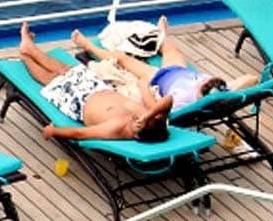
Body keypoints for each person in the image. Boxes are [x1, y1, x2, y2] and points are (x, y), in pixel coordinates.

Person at [18, 22, 174, 142]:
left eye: (138, 123)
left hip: (79, 102)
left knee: (50, 79)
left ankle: (26, 56)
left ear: (137, 136)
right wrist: (147, 117)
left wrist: (53, 131)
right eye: (145, 117)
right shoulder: (150, 118)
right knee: (65, 68)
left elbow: (80, 134)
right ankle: (29, 49)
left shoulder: (117, 129)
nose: (137, 118)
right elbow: (168, 101)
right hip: (97, 87)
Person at [72, 16, 259, 113]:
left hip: (159, 77)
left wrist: (144, 87)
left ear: (201, 93)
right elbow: (253, 79)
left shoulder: (183, 100)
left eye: (202, 84)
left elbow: (155, 108)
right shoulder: (220, 91)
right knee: (167, 46)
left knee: (121, 59)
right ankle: (160, 33)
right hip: (180, 70)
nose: (202, 81)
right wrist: (232, 91)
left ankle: (86, 45)